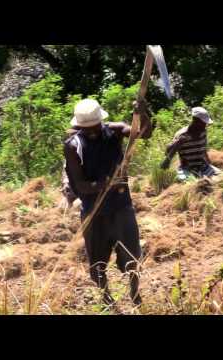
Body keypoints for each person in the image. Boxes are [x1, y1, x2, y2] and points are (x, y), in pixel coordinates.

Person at [64, 98, 152, 306]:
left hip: (121, 206)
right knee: (97, 262)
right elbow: (80, 185)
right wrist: (104, 184)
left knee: (132, 255)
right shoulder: (73, 146)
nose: (92, 131)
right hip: (94, 212)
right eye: (86, 129)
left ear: (101, 122)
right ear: (79, 127)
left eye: (95, 127)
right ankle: (106, 298)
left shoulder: (115, 131)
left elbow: (144, 133)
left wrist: (143, 112)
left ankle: (135, 293)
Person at [160, 107, 220, 181]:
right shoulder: (181, 135)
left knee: (221, 178)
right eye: (203, 124)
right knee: (192, 185)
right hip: (187, 170)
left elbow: (204, 151)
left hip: (202, 167)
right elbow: (167, 152)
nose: (205, 126)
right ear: (196, 121)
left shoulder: (203, 133)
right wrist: (176, 144)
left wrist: (210, 165)